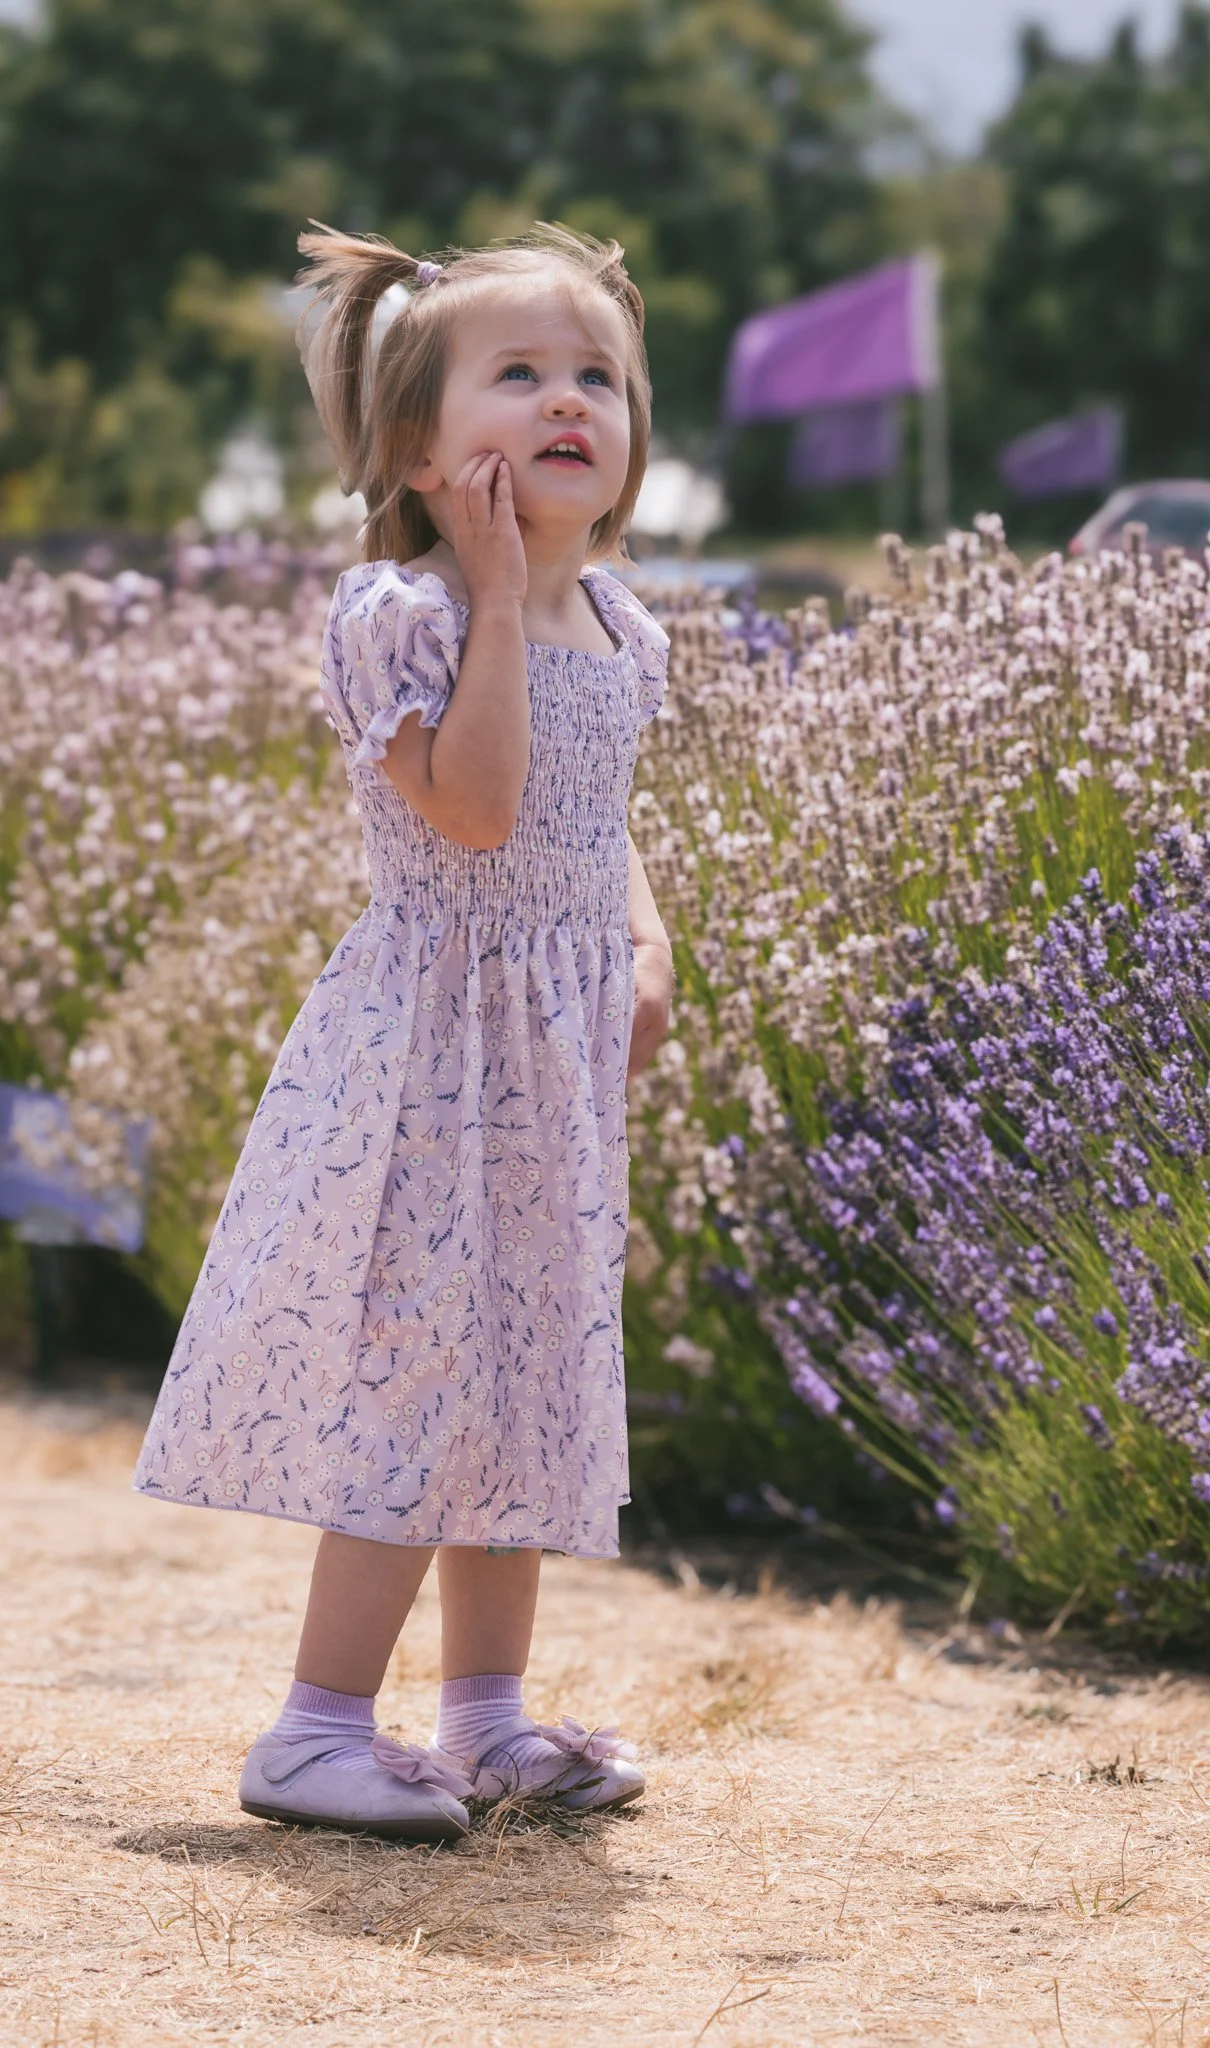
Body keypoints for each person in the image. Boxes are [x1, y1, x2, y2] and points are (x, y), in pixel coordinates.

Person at [132, 221, 675, 1843]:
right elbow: (483, 810)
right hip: (436, 1058)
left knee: (523, 1371)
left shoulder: (626, 627)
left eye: (601, 376)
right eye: (520, 374)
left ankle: (489, 1717)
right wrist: (501, 599)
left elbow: (608, 820)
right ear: (424, 453)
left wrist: (647, 940)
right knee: (419, 1377)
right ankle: (310, 1731)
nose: (571, 399)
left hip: (556, 1062)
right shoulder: (408, 612)